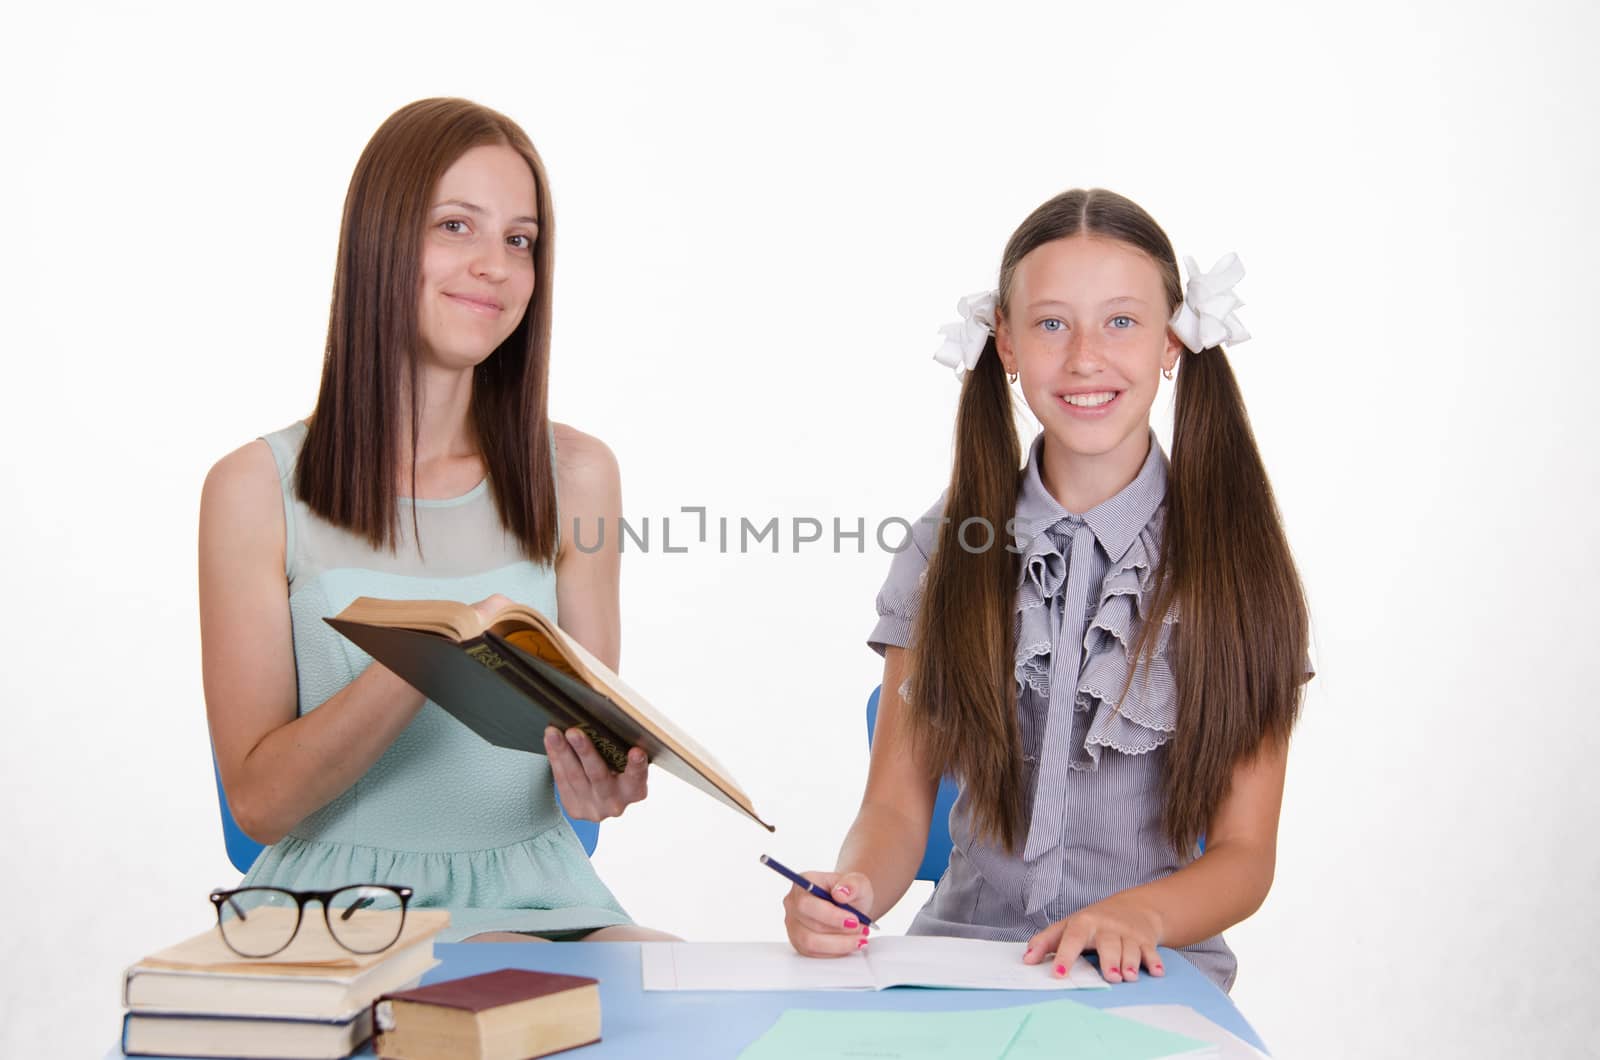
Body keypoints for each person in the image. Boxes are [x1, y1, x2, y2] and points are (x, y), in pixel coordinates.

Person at [781, 188, 1311, 990]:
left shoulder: (1237, 564)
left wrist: (1145, 914)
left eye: (1122, 321)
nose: (1086, 356)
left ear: (1174, 340)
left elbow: (1246, 856)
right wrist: (849, 889)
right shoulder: (945, 547)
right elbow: (893, 811)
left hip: (1147, 977)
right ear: (1006, 342)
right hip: (956, 963)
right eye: (1053, 322)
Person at [200, 97, 671, 942]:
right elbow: (262, 803)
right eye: (457, 225)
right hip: (336, 913)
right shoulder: (254, 486)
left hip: (539, 899)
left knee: (679, 1003)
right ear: (381, 242)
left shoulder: (580, 475)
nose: (495, 265)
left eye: (520, 240)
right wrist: (435, 651)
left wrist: (600, 781)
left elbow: (588, 749)